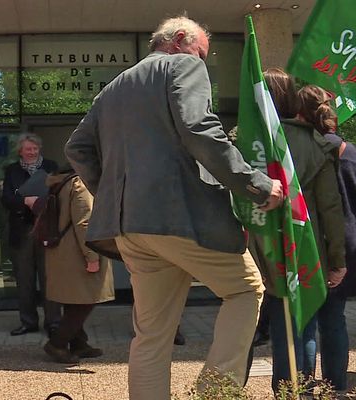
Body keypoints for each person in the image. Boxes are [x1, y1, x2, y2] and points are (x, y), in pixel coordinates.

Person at [65, 16, 284, 399]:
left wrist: (116, 193)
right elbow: (199, 129)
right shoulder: (183, 65)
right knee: (247, 290)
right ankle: (214, 394)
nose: (203, 60)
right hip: (182, 217)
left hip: (130, 227)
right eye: (202, 52)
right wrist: (257, 184)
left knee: (152, 334)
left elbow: (76, 149)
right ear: (180, 39)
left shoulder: (113, 88)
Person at [248, 70, 346, 392]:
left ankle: (284, 391)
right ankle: (299, 392)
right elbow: (330, 209)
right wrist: (337, 260)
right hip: (306, 250)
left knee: (280, 330)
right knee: (303, 329)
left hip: (261, 252)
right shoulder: (314, 143)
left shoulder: (247, 139)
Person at [297, 84, 352, 392]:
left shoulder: (300, 151)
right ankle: (338, 387)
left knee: (306, 323)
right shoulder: (350, 153)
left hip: (311, 243)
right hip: (343, 246)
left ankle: (302, 389)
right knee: (334, 319)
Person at [40, 166, 115, 363]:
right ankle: (57, 343)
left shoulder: (63, 181)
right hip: (77, 253)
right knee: (86, 300)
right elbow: (85, 223)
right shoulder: (81, 183)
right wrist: (92, 257)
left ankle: (79, 343)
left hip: (64, 251)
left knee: (75, 299)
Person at [2, 133, 61, 336]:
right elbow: (6, 199)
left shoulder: (51, 167)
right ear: (20, 151)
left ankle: (53, 322)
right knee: (24, 279)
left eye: (35, 149)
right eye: (28, 149)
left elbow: (60, 195)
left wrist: (42, 202)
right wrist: (25, 202)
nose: (32, 152)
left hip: (46, 227)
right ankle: (28, 321)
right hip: (23, 229)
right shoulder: (12, 170)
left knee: (50, 277)